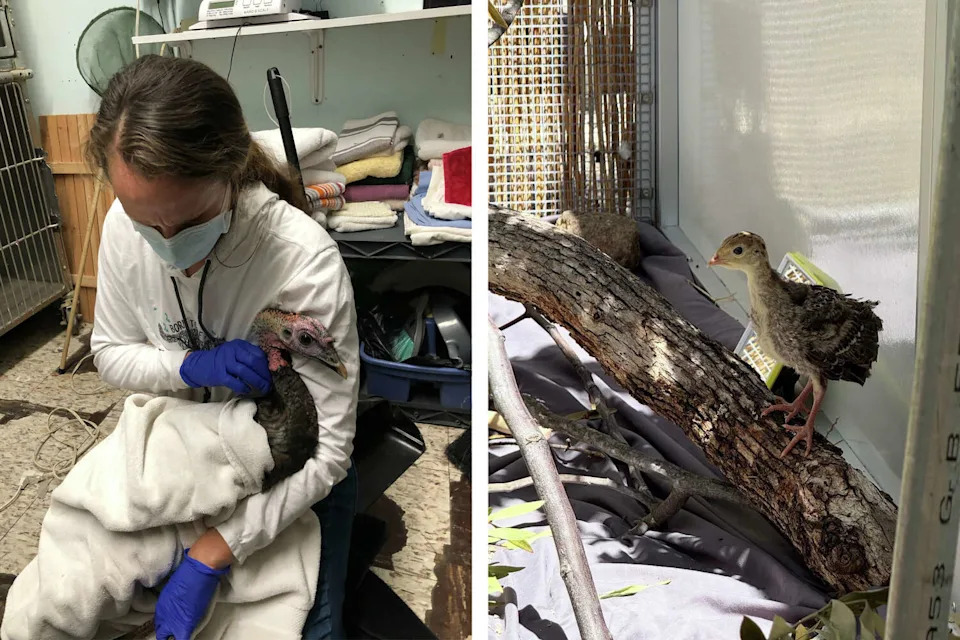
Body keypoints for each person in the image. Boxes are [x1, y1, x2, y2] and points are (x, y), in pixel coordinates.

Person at [87, 54, 359, 640]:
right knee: (86, 587)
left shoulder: (302, 260)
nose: (168, 245)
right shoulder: (121, 227)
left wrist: (214, 552)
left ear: (231, 171)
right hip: (181, 448)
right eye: (144, 222)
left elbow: (329, 452)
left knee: (305, 627)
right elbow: (109, 350)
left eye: (190, 221)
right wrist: (188, 365)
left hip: (292, 473)